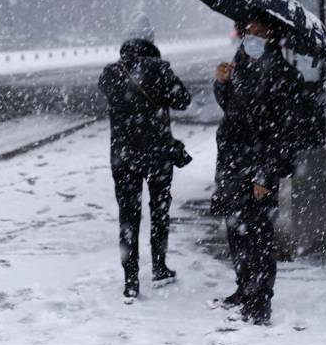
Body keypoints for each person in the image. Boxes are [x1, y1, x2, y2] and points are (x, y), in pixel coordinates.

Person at [211, 18, 311, 324]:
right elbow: (232, 110)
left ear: (272, 35)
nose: (253, 36)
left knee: (259, 236)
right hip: (232, 163)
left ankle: (260, 301)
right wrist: (222, 83)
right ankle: (244, 288)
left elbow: (284, 131)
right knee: (237, 232)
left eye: (260, 32)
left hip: (260, 166)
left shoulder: (283, 74)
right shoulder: (240, 65)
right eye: (249, 31)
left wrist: (266, 174)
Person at [98, 18, 192, 300]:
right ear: (151, 41)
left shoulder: (111, 73)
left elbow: (108, 94)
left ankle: (130, 280)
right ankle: (159, 268)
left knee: (128, 216)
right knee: (159, 211)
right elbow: (183, 101)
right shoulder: (161, 70)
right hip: (158, 155)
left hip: (123, 155)